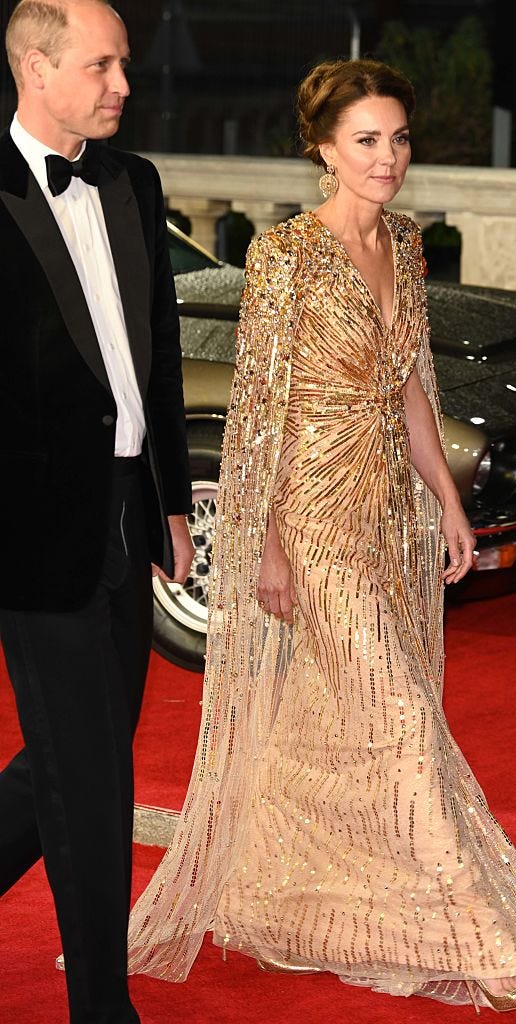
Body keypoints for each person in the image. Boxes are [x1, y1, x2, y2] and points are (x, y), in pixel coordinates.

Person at [128, 59, 516, 1013]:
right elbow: (262, 412)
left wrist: (449, 504)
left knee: (349, 710)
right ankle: (479, 936)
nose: (387, 159)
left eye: (399, 138)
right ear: (323, 149)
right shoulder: (285, 254)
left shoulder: (405, 243)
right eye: (366, 140)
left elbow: (412, 384)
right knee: (400, 716)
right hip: (314, 512)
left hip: (386, 510)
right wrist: (272, 547)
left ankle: (286, 893)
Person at [0, 2, 193, 1021]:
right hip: (30, 535)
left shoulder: (132, 180)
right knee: (94, 779)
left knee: (80, 754)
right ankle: (102, 1006)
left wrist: (166, 499)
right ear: (36, 67)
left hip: (126, 515)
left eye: (124, 63)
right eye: (102, 64)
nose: (123, 83)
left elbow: (152, 357)